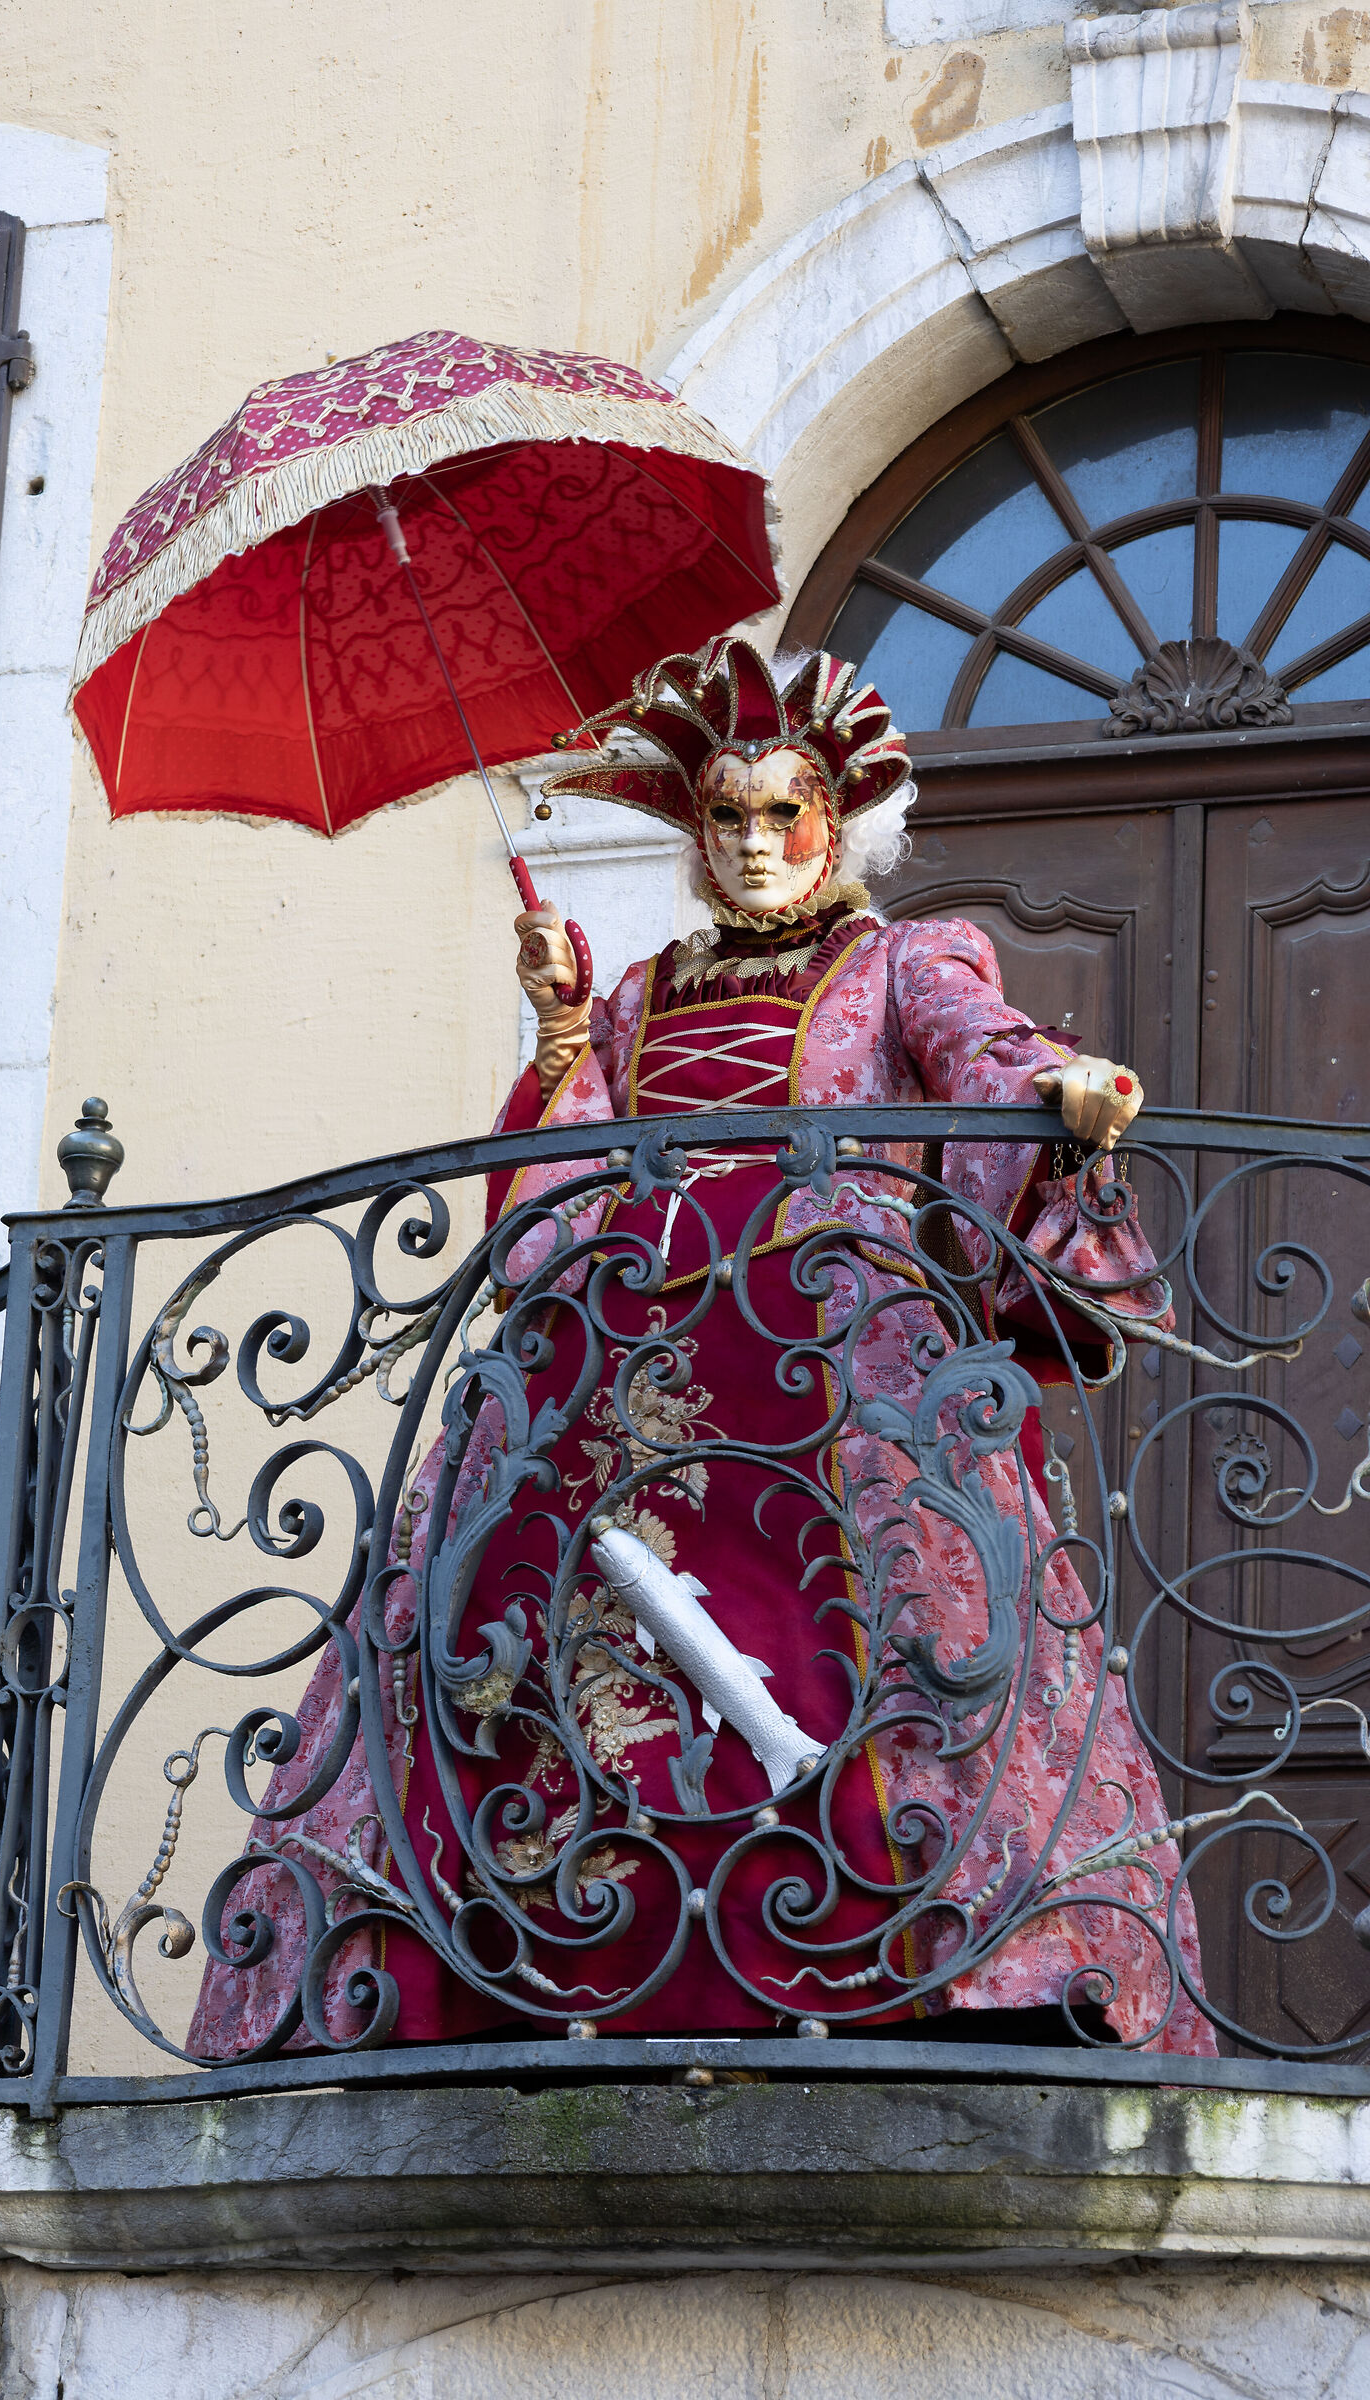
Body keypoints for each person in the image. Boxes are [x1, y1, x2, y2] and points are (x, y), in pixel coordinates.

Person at [189, 638, 1213, 2062]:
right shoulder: (637, 991)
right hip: (629, 1346)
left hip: (837, 1351)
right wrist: (559, 1026)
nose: (752, 845)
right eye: (724, 820)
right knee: (515, 1613)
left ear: (837, 822)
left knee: (908, 1635)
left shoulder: (911, 957)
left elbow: (985, 1052)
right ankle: (524, 1966)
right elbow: (558, 1185)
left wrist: (1061, 1090)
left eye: (782, 814)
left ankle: (937, 1969)